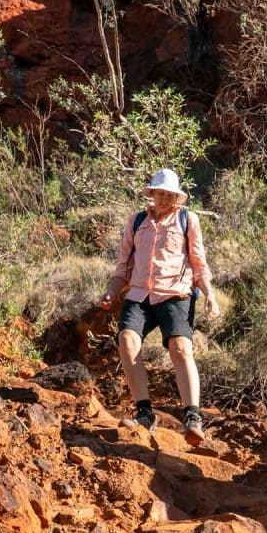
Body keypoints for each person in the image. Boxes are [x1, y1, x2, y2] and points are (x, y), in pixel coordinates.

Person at [103, 168, 220, 444]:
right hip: (140, 295)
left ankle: (192, 415)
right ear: (152, 194)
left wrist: (210, 296)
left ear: (178, 197)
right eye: (162, 194)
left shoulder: (186, 219)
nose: (167, 199)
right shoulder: (137, 221)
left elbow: (198, 262)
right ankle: (144, 412)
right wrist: (110, 292)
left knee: (180, 346)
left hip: (176, 294)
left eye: (171, 195)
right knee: (127, 340)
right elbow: (123, 266)